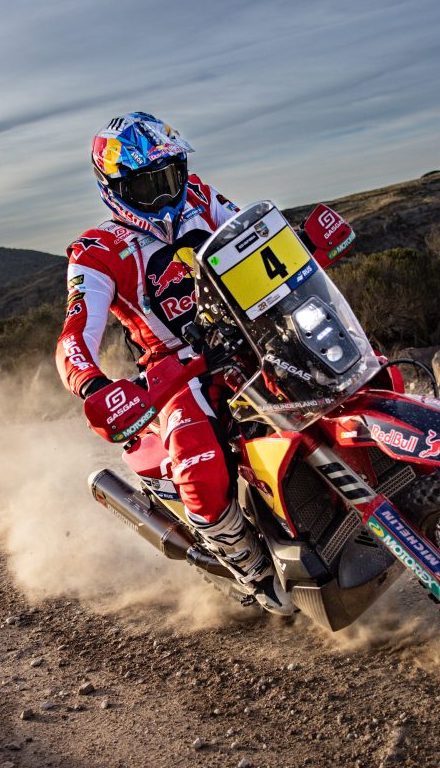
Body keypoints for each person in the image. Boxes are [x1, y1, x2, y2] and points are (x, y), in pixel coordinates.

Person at [55, 112, 294, 614]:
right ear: (114, 189)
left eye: (171, 175)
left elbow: (258, 241)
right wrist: (93, 384)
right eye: (147, 185)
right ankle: (249, 566)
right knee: (201, 472)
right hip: (177, 368)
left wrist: (303, 245)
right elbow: (76, 335)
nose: (165, 194)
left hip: (249, 333)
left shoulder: (202, 199)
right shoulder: (97, 252)